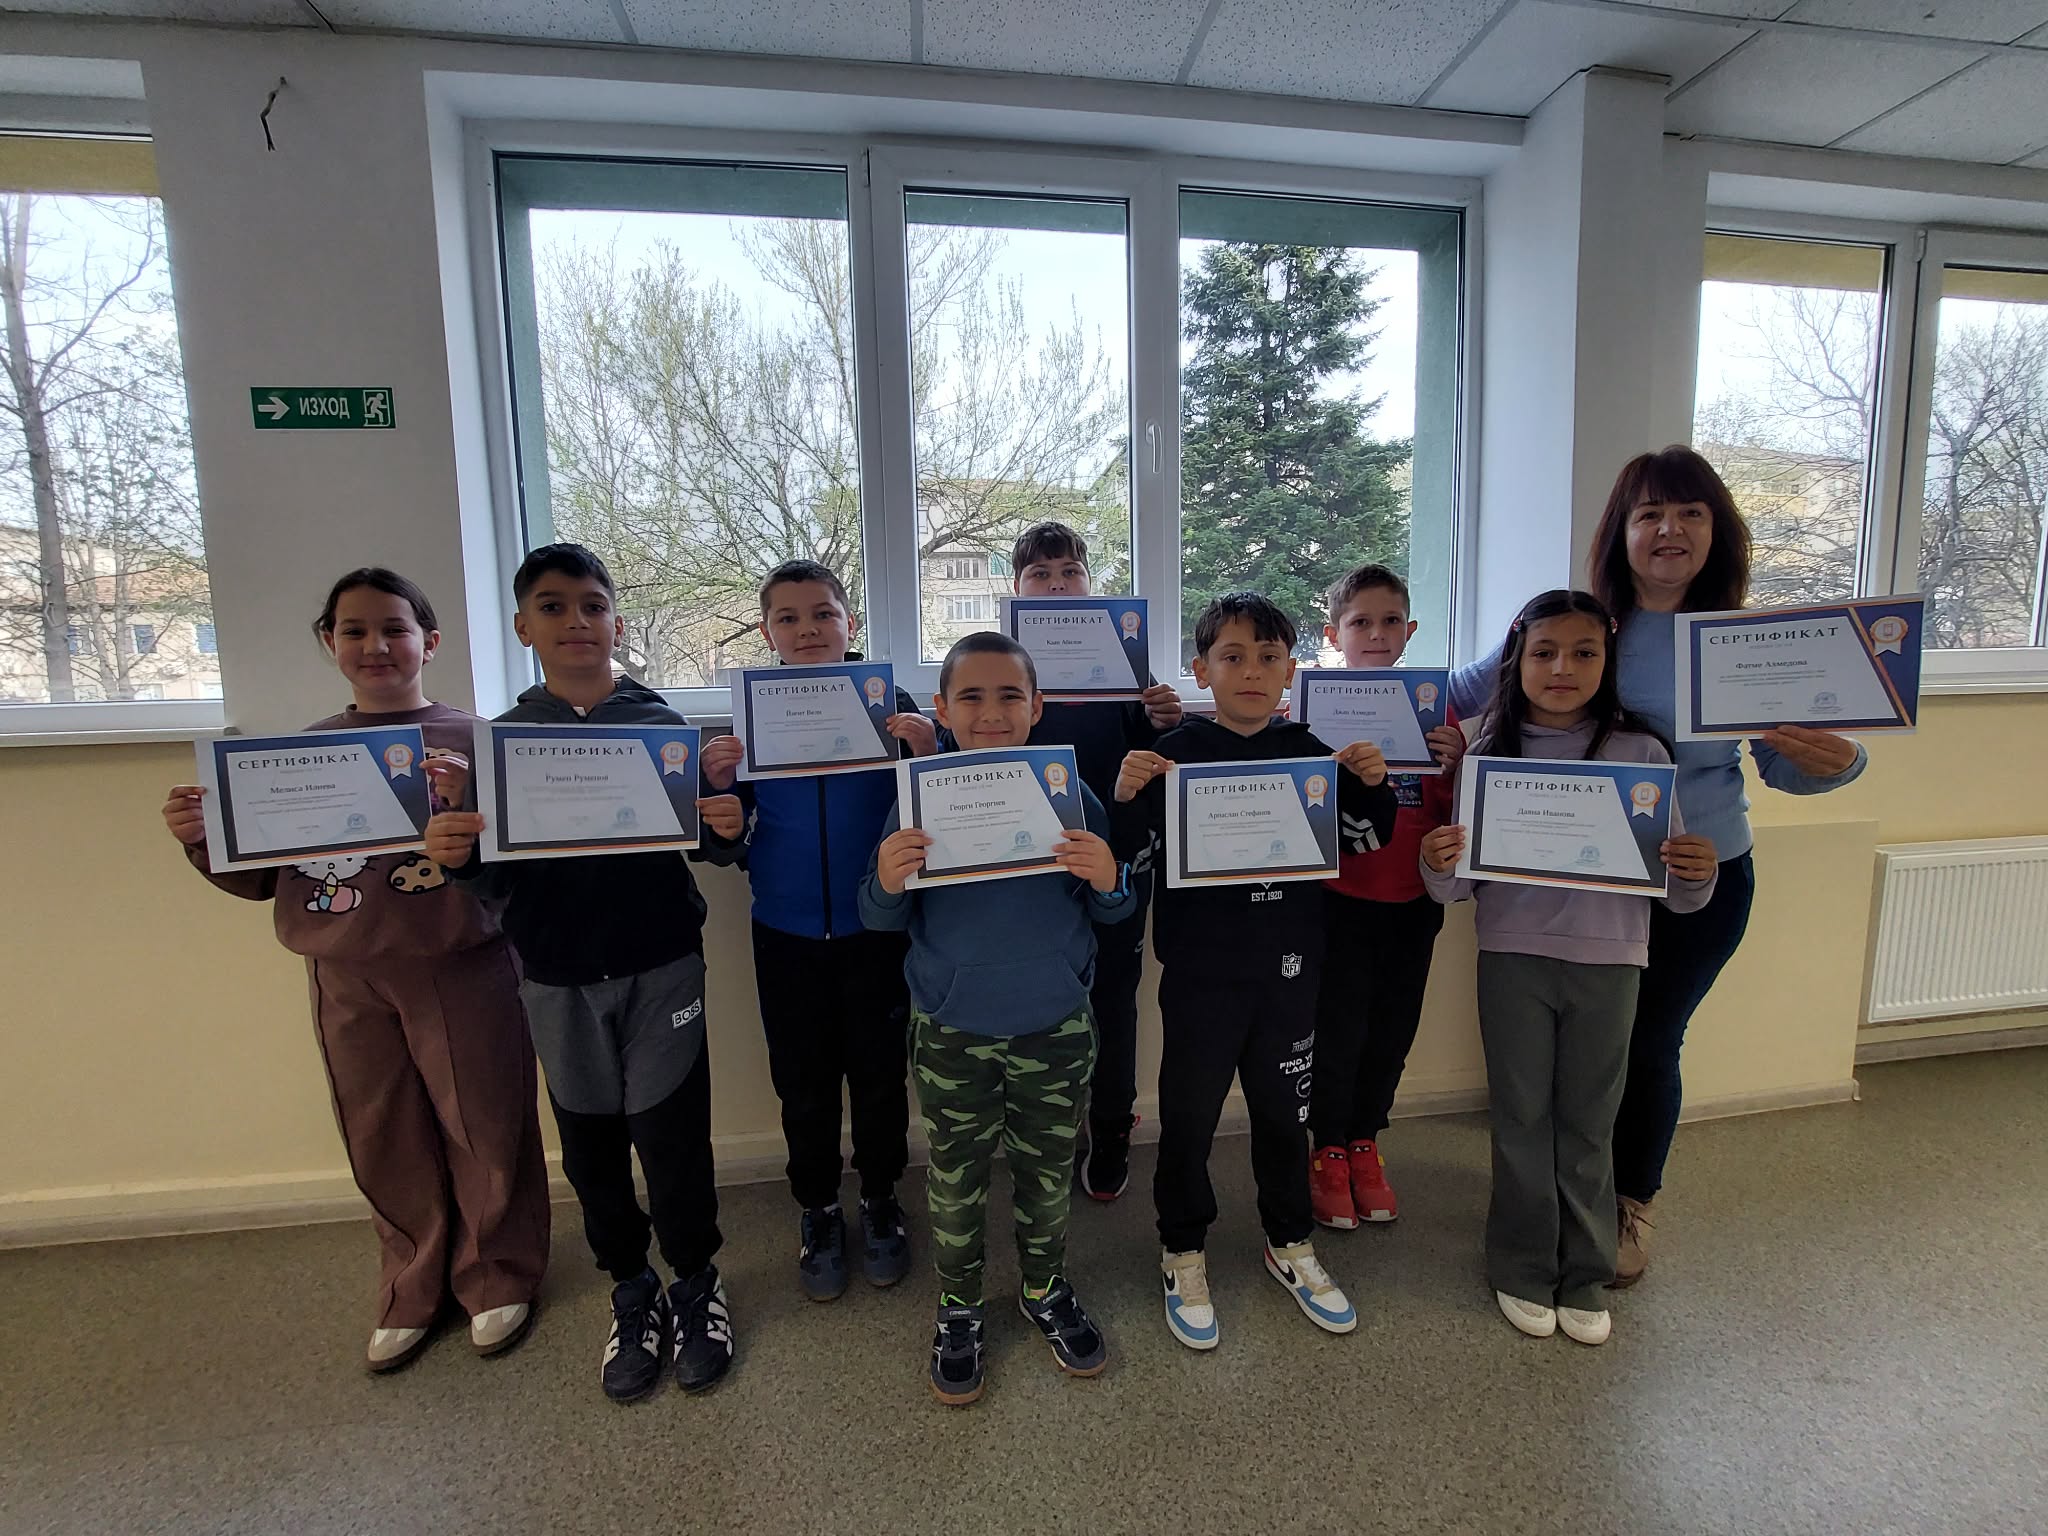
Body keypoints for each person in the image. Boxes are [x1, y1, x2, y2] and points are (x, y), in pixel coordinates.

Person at [1447, 448, 1866, 1285]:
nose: (1669, 530)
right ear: (1622, 531)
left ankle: (1629, 1203)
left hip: (1697, 875)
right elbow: (1457, 695)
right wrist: (1324, 702)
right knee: (1562, 1065)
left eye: (1689, 513)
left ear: (1718, 531)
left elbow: (1781, 766)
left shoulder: (1742, 643)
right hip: (1573, 883)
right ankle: (1551, 1208)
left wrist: (1840, 761)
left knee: (1646, 1046)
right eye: (1650, 514)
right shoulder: (1581, 628)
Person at [161, 568, 549, 1374]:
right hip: (345, 971)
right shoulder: (296, 757)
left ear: (428, 642)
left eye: (394, 629)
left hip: (459, 962)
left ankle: (496, 1273)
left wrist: (466, 810)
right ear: (329, 642)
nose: (376, 645)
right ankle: (411, 1282)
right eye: (355, 630)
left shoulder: (477, 742)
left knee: (483, 1120)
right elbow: (259, 879)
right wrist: (203, 837)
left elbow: (527, 861)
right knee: (379, 1128)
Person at [424, 543, 747, 1402]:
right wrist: (457, 855)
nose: (576, 622)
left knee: (673, 1137)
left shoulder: (662, 726)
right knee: (592, 1147)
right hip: (555, 975)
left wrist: (725, 822)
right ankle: (631, 1289)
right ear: (522, 626)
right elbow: (489, 877)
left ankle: (696, 1282)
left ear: (617, 622)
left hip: (661, 965)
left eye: (593, 606)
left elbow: (709, 847)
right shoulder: (501, 742)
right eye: (554, 606)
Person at [1423, 589, 1719, 1347]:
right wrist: (1438, 861)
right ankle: (1521, 1264)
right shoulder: (1488, 753)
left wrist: (1696, 870)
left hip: (1610, 961)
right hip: (1512, 957)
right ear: (1516, 660)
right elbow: (1455, 888)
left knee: (1590, 1119)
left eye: (1584, 652)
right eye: (1544, 652)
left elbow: (1679, 893)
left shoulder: (1643, 753)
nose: (1563, 668)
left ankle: (1585, 1272)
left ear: (1606, 660)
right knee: (1521, 1116)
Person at [1114, 592, 1398, 1351]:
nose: (1251, 671)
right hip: (1202, 976)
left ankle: (1289, 1239)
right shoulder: (1174, 755)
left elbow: (1363, 839)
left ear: (1291, 672)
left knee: (1283, 1117)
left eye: (1268, 657)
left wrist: (1371, 784)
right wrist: (1128, 796)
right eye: (1232, 657)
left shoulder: (1311, 752)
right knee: (1189, 1120)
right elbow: (1131, 857)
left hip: (1290, 973)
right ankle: (1182, 1249)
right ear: (1201, 669)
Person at [858, 631, 1136, 1407]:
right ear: (942, 709)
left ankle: (1044, 1288)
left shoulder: (1072, 796)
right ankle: (959, 1305)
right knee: (956, 1179)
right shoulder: (916, 800)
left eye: (1010, 695)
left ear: (1036, 706)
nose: (991, 712)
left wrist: (1110, 880)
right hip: (954, 1029)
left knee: (1048, 1175)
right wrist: (886, 880)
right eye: (971, 697)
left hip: (1055, 1024)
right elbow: (878, 917)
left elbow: (1115, 912)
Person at [700, 559, 933, 1301]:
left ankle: (882, 1198)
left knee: (880, 1075)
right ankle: (819, 1207)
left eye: (823, 614)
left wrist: (928, 753)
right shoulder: (748, 717)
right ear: (766, 630)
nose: (808, 629)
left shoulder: (890, 705)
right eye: (789, 618)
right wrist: (718, 793)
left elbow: (939, 813)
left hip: (878, 929)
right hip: (785, 932)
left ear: (849, 623)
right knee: (801, 1082)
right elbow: (725, 841)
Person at [955, 521, 1182, 1200]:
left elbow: (1153, 763)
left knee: (1113, 1000)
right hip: (1028, 867)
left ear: (1090, 582)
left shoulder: (1127, 668)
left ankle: (1110, 1128)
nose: (1057, 585)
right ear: (1016, 590)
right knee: (1043, 997)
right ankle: (1038, 1133)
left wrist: (1163, 720)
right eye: (1040, 575)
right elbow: (967, 753)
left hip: (1116, 861)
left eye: (1069, 572)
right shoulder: (1001, 675)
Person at [1309, 563, 1464, 1230]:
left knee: (1391, 1031)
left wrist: (1457, 762)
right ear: (1334, 634)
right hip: (1338, 899)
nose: (1377, 633)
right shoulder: (1311, 708)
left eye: (1391, 621)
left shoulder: (1440, 712)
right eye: (1361, 622)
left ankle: (1366, 1140)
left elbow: (1455, 813)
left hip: (1413, 901)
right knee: (1337, 1030)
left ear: (1411, 630)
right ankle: (1327, 1148)